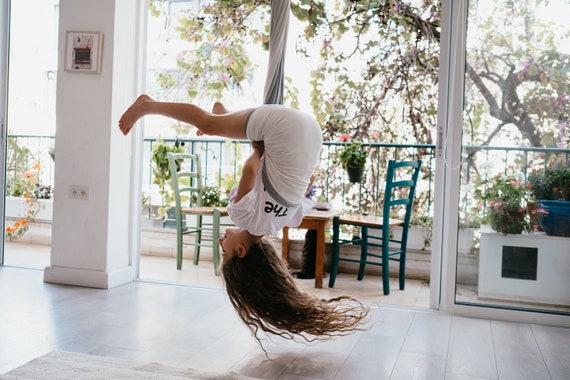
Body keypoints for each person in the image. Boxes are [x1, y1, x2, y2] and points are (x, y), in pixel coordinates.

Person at [119, 95, 369, 346]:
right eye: (223, 250)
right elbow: (250, 170)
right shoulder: (243, 216)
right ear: (240, 250)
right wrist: (257, 150)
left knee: (260, 148)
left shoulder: (282, 222)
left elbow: (309, 184)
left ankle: (225, 112)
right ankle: (148, 105)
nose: (220, 240)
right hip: (284, 128)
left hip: (312, 133)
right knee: (207, 124)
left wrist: (273, 157)